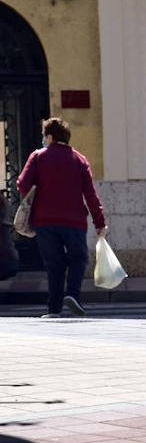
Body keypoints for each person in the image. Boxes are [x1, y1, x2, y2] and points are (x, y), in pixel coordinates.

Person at [15, 117, 108, 317]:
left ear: (50, 137)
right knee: (78, 257)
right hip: (74, 221)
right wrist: (99, 222)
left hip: (44, 221)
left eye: (43, 136)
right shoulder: (79, 160)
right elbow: (90, 195)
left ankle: (53, 309)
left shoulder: (38, 157)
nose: (43, 140)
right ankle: (72, 294)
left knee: (54, 264)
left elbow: (22, 185)